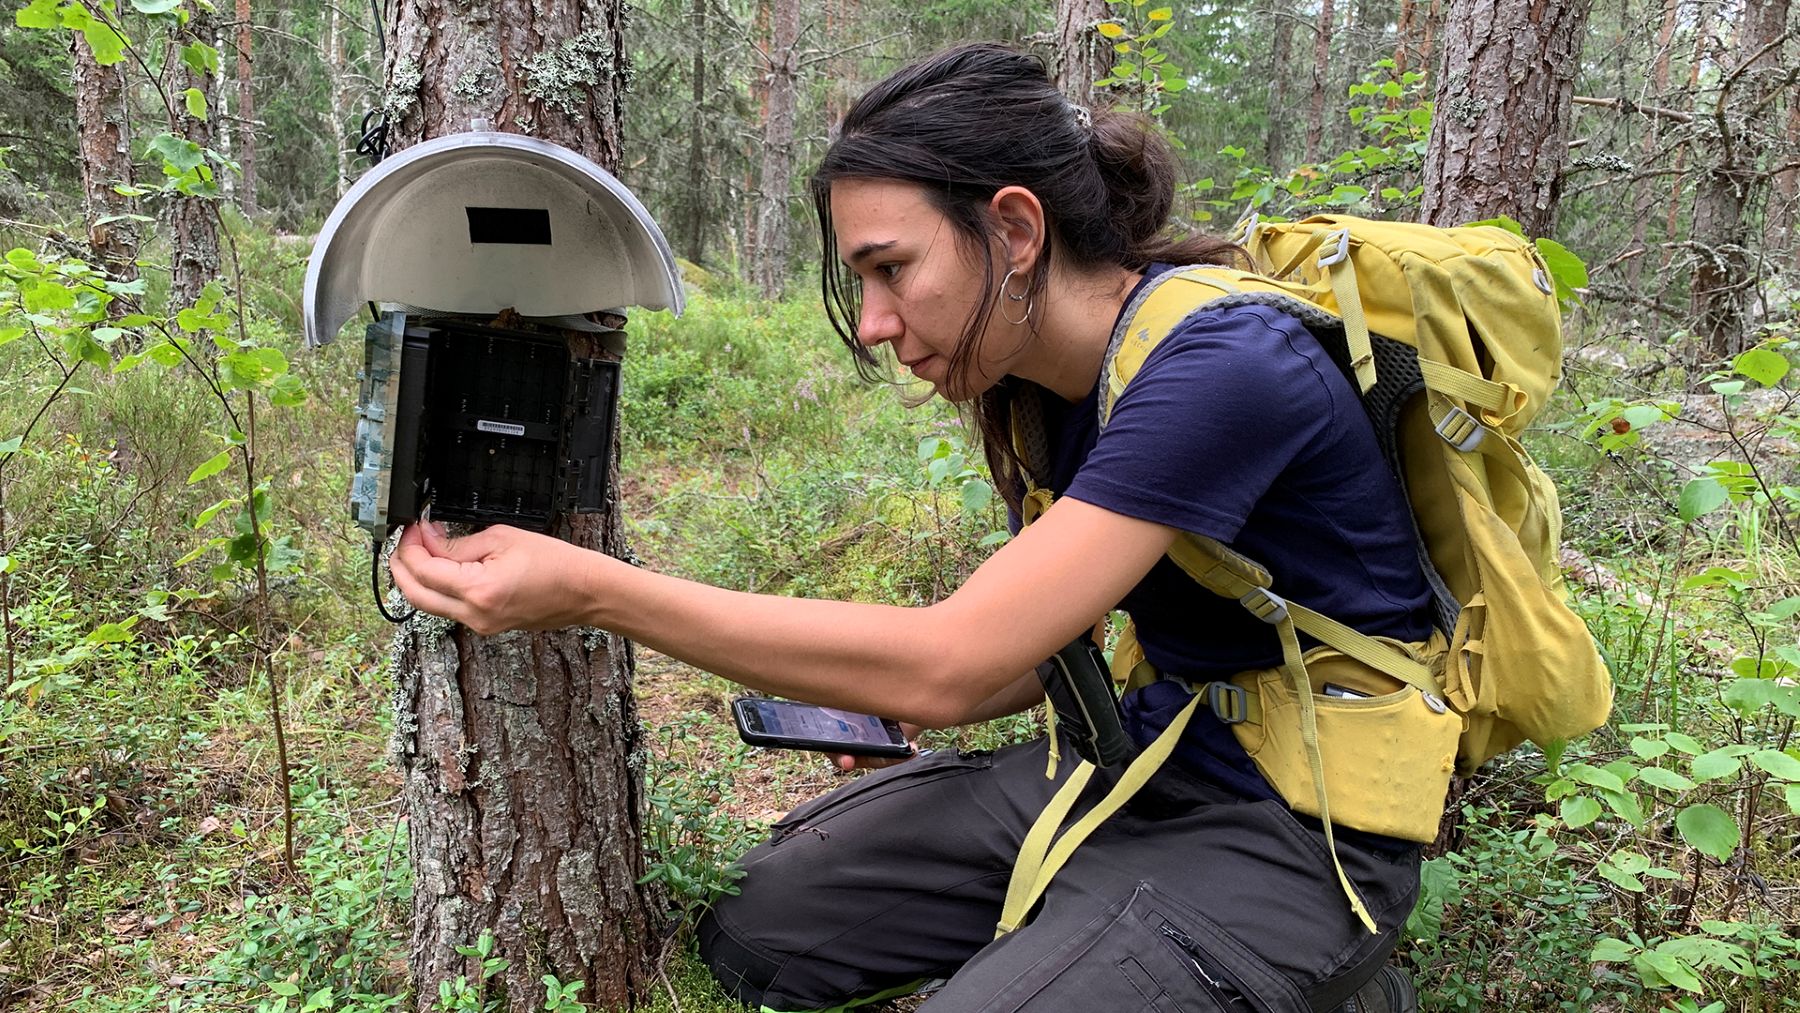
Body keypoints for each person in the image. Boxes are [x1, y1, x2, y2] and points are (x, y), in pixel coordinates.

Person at [391, 43, 1430, 1013]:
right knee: (758, 932)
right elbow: (1012, 657)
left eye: (893, 268)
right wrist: (877, 688)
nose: (879, 323)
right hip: (1142, 753)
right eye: (863, 282)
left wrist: (594, 588)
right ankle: (1092, 933)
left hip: (1299, 829)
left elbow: (950, 664)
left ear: (1017, 232)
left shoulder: (1223, 366)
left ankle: (1303, 974)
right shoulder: (1049, 379)